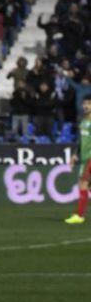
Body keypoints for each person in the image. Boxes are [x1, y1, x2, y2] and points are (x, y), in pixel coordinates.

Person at [64, 96, 91, 224]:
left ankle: (79, 215)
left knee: (83, 183)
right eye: (84, 103)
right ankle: (79, 215)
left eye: (89, 104)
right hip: (85, 158)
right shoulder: (83, 121)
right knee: (83, 185)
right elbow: (81, 140)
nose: (86, 106)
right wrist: (75, 154)